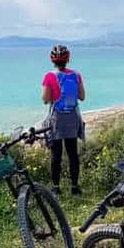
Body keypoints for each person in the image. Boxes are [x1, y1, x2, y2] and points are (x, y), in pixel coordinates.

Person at [41, 45, 86, 196]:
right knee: (72, 153)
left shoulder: (49, 76)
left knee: (56, 154)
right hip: (72, 118)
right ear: (68, 59)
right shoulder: (76, 75)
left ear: (52, 61)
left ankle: (55, 187)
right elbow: (82, 97)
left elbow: (46, 100)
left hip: (57, 119)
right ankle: (75, 187)